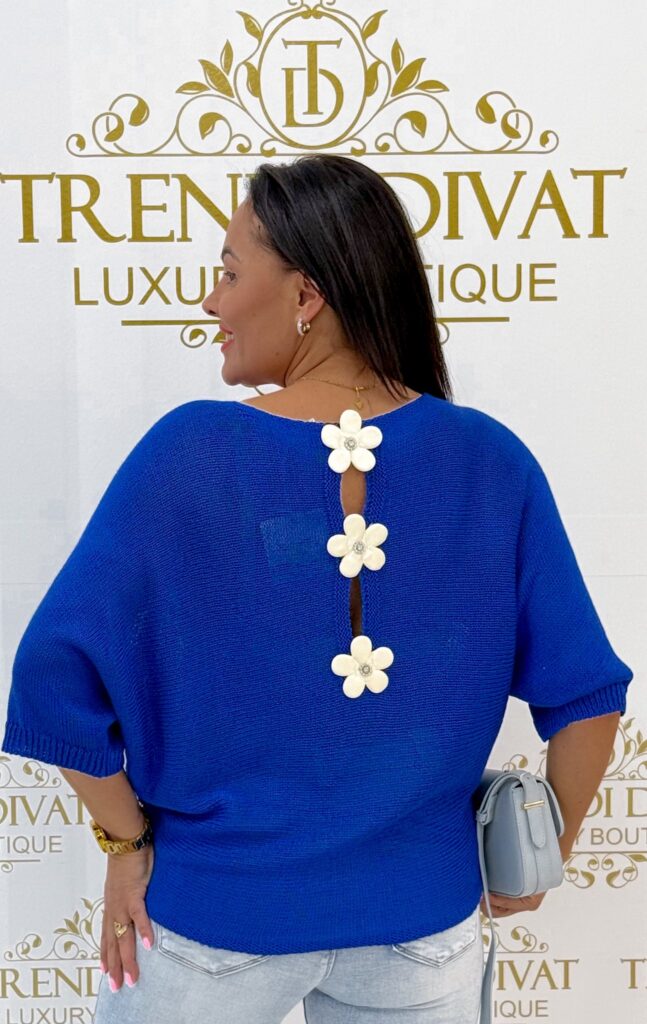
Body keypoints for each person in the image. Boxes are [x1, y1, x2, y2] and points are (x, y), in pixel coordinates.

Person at [1, 154, 634, 1024]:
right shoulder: (489, 461)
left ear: (305, 295)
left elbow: (54, 677)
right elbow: (588, 696)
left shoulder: (188, 455)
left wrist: (126, 842)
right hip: (421, 928)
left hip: (215, 920)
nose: (210, 302)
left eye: (229, 273)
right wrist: (541, 853)